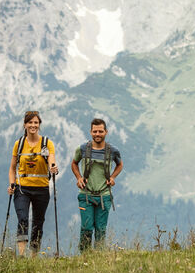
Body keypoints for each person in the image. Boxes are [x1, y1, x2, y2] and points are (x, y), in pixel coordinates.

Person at [8, 110, 59, 257]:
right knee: (22, 218)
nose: (33, 125)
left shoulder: (47, 143)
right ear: (25, 124)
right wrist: (12, 184)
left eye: (36, 122)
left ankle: (33, 256)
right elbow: (12, 168)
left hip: (41, 188)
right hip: (22, 188)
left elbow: (51, 159)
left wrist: (52, 167)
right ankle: (23, 256)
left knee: (38, 222)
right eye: (30, 122)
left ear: (39, 125)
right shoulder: (19, 144)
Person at [71, 117, 123, 251]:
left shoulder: (113, 151)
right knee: (87, 228)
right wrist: (78, 178)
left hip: (104, 196)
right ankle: (84, 256)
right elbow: (74, 163)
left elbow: (120, 164)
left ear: (106, 132)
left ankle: (99, 257)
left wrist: (112, 177)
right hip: (85, 195)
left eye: (100, 131)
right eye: (95, 131)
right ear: (90, 132)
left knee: (101, 229)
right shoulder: (82, 149)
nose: (97, 134)